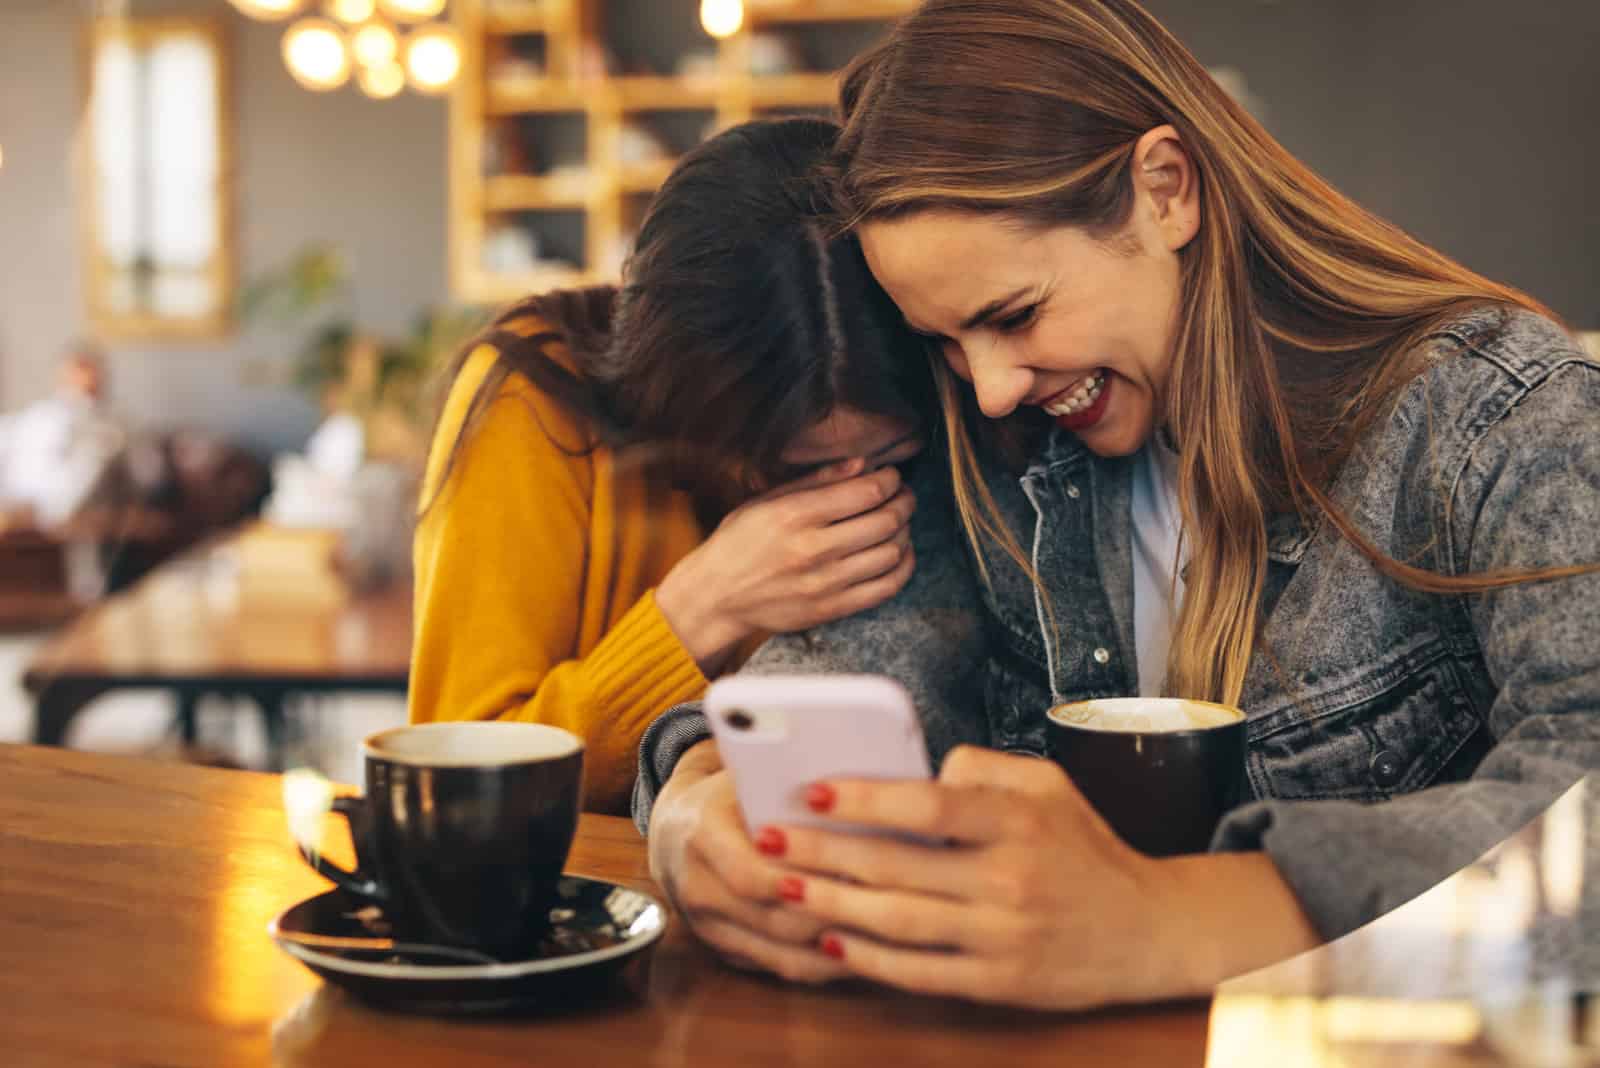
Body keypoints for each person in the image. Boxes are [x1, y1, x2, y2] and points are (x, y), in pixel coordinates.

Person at [635, 0, 1600, 1010]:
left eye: (1012, 316)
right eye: (947, 345)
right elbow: (830, 687)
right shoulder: (994, 446)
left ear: (1164, 190)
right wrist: (695, 806)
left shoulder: (1501, 417)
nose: (992, 387)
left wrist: (1172, 917)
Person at [409, 119, 933, 815]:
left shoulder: (967, 406)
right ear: (693, 409)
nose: (853, 492)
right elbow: (454, 786)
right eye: (794, 469)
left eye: (887, 458)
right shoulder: (532, 399)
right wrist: (703, 606)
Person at [0, 343, 125, 527]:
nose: (85, 381)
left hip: (79, 519)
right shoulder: (37, 419)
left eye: (91, 375)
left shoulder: (115, 427)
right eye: (77, 373)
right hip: (30, 513)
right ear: (62, 376)